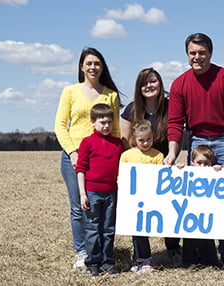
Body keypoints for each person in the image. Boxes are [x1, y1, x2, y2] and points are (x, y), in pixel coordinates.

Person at [164, 33, 224, 270]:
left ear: (210, 53)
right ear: (187, 55)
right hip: (198, 143)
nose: (197, 57)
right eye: (192, 53)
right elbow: (176, 122)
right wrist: (172, 153)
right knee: (197, 203)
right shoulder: (180, 84)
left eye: (201, 52)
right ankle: (199, 254)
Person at [54, 47, 121, 269]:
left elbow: (116, 131)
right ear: (81, 67)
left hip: (103, 157)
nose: (93, 67)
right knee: (78, 206)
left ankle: (101, 252)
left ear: (103, 67)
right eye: (89, 63)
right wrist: (73, 152)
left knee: (103, 208)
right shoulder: (70, 91)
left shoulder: (110, 94)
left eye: (97, 63)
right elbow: (60, 126)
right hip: (74, 155)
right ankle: (82, 251)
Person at [120, 68, 182, 267]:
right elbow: (124, 142)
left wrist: (172, 158)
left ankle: (173, 249)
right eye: (144, 83)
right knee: (140, 213)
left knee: (170, 210)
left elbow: (176, 133)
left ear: (160, 83)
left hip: (165, 165)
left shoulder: (171, 106)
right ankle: (142, 256)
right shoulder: (131, 110)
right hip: (139, 171)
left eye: (153, 81)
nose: (149, 86)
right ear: (139, 87)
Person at [76, 104, 124, 276]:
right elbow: (80, 169)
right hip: (92, 192)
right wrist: (82, 194)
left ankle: (107, 262)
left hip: (111, 192)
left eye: (110, 122)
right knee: (93, 228)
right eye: (102, 122)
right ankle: (92, 263)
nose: (106, 126)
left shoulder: (118, 144)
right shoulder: (87, 142)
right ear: (93, 122)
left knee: (109, 228)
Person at [120, 119, 164, 274]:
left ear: (153, 137)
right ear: (134, 139)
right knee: (137, 230)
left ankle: (146, 258)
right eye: (141, 140)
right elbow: (122, 177)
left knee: (146, 227)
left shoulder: (158, 156)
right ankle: (141, 258)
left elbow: (163, 177)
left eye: (149, 139)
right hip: (134, 200)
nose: (145, 143)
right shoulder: (126, 155)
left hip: (151, 199)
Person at [177, 145, 221, 267]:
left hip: (206, 213)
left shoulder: (213, 173)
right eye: (199, 163)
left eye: (206, 163)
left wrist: (218, 170)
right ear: (192, 162)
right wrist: (179, 169)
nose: (202, 166)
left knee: (207, 238)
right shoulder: (189, 172)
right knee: (189, 238)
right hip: (189, 213)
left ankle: (210, 261)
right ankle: (189, 262)